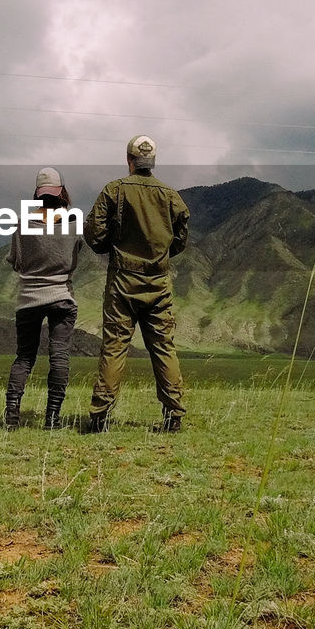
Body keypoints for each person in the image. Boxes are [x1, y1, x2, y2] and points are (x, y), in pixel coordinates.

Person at [83, 135, 189, 432]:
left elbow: (94, 235)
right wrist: (159, 256)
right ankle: (174, 416)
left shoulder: (113, 191)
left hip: (122, 281)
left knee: (114, 346)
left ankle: (100, 416)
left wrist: (113, 248)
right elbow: (180, 240)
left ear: (129, 160)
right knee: (164, 347)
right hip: (158, 282)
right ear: (152, 162)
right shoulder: (170, 195)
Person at [4, 166, 83, 430]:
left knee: (25, 357)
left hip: (29, 299)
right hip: (62, 297)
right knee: (59, 356)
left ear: (37, 194)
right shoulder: (73, 224)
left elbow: (16, 261)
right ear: (61, 192)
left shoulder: (21, 223)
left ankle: (12, 417)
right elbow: (75, 256)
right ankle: (52, 419)